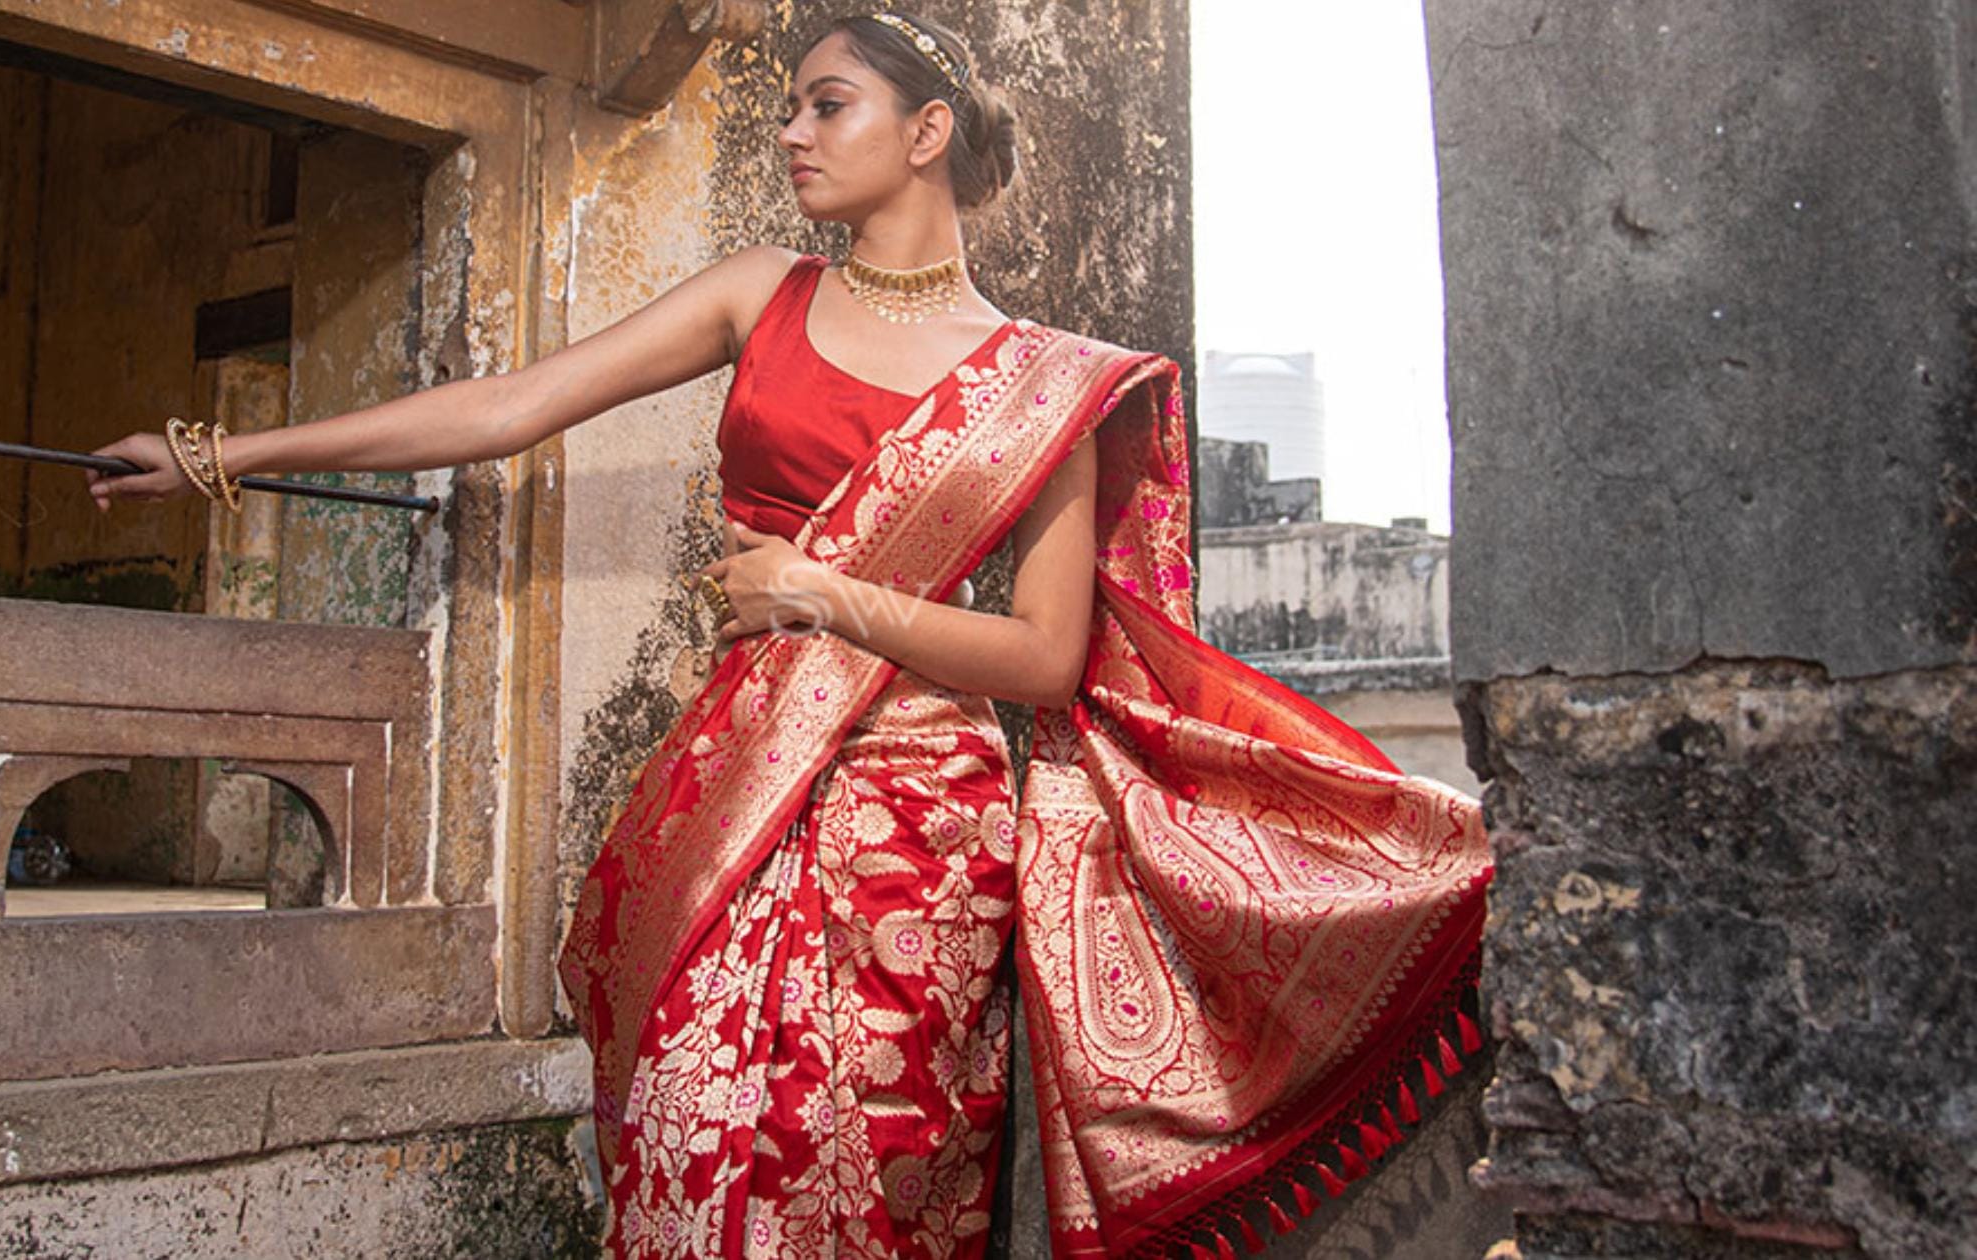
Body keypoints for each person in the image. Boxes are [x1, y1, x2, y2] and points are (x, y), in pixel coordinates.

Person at [87, 12, 1493, 1259]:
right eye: (792, 104)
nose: (793, 130)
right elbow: (506, 408)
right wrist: (228, 454)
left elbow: (1047, 660)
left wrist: (829, 596)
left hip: (922, 837)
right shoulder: (762, 294)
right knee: (690, 1141)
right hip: (737, 786)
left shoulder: (1049, 386)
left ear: (926, 130)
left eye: (830, 103)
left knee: (876, 1182)